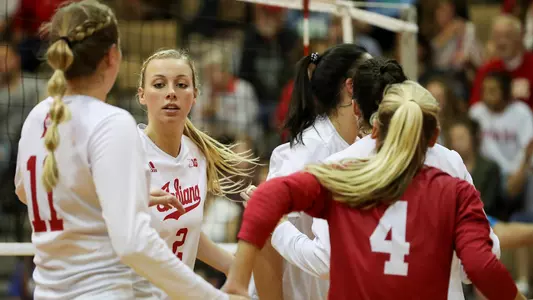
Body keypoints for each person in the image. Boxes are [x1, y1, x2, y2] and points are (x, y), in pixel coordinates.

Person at [13, 1, 245, 299]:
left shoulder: (37, 116)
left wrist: (115, 194)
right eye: (159, 84)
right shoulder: (113, 123)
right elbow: (134, 244)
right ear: (113, 56)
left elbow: (25, 191)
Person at [225, 80, 524, 300]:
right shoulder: (456, 192)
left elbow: (265, 198)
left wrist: (238, 282)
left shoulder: (342, 179)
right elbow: (479, 267)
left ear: (375, 131)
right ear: (434, 137)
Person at [248, 44, 375, 300]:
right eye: (373, 75)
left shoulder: (364, 144)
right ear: (351, 87)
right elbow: (264, 234)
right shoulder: (310, 151)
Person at [134, 48, 259, 298]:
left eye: (181, 84)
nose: (171, 92)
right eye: (159, 84)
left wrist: (233, 267)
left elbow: (185, 231)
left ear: (195, 96)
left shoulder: (196, 154)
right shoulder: (127, 152)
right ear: (142, 96)